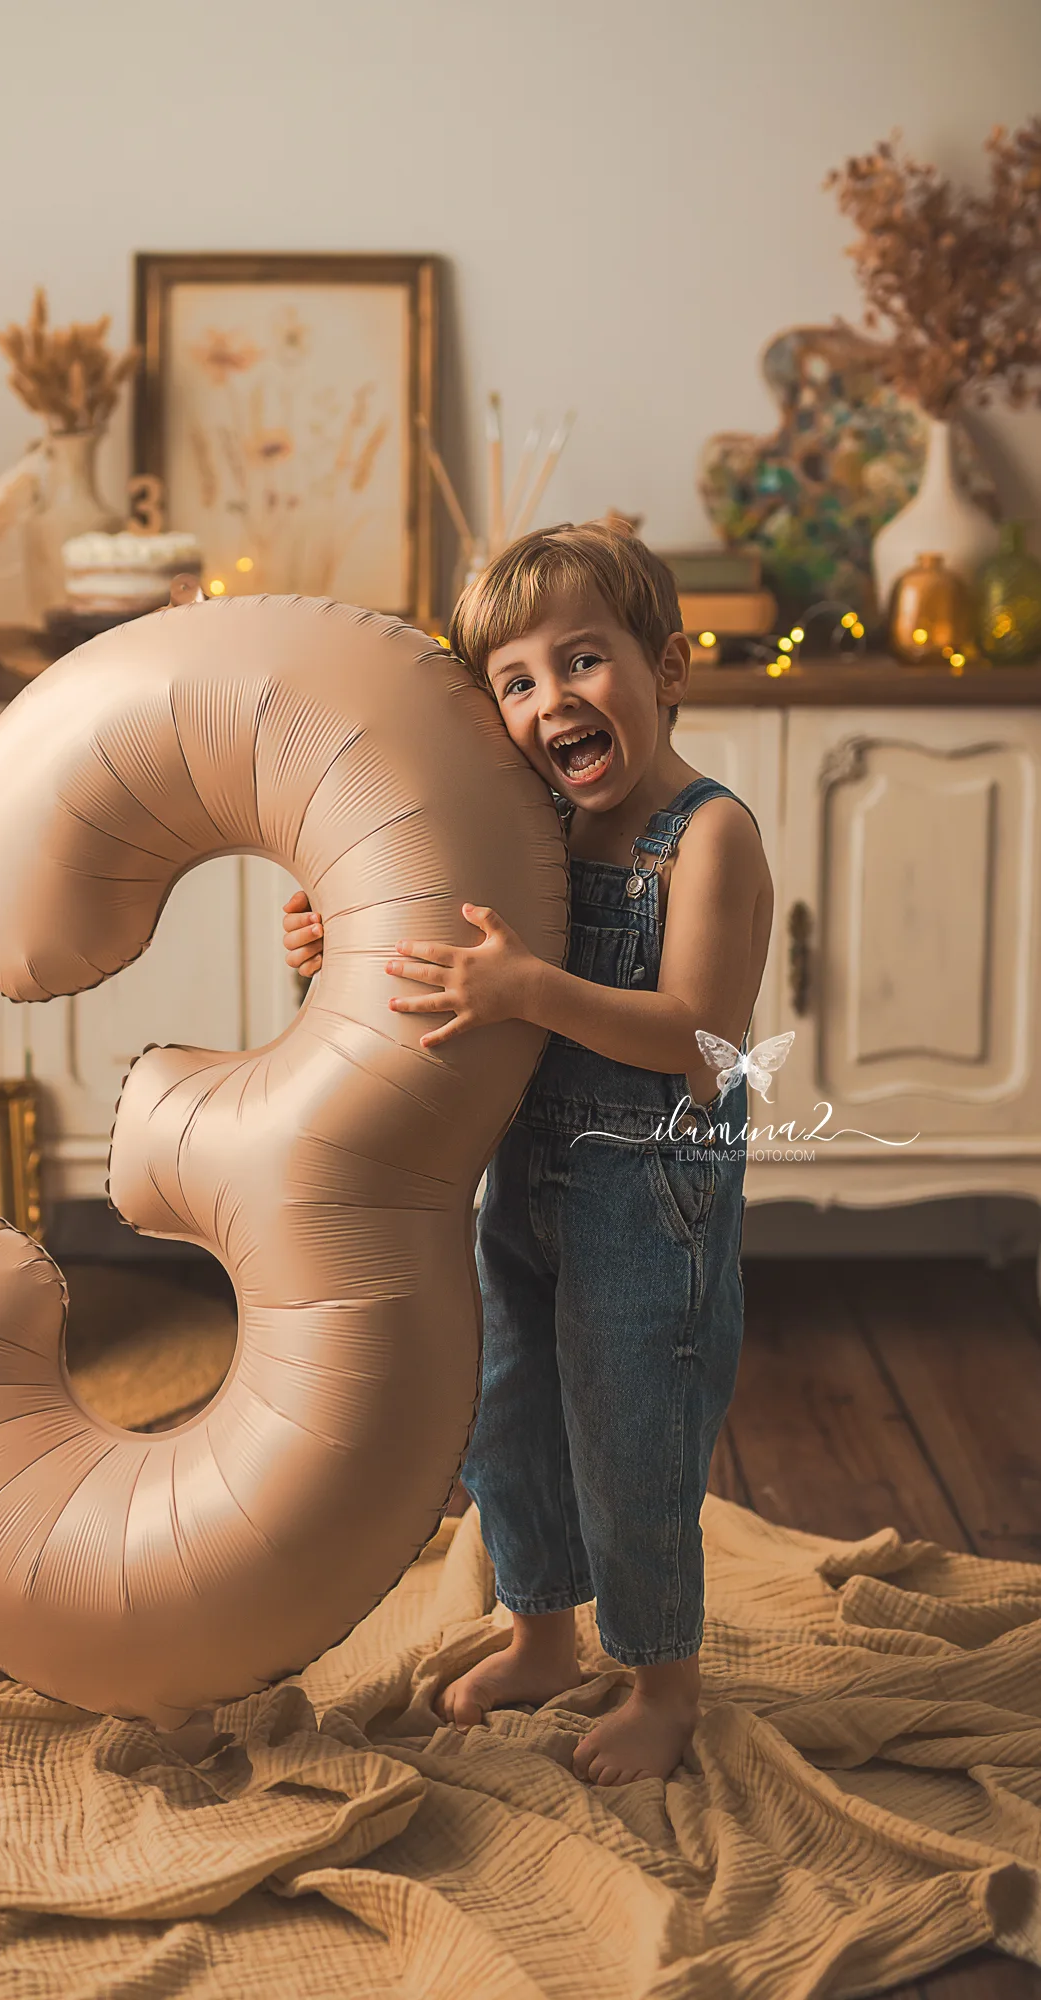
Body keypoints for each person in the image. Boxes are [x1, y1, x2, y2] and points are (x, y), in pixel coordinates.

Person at [281, 521, 773, 1785]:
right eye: (515, 680)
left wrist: (531, 989)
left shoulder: (708, 838)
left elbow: (700, 1046)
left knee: (631, 1433)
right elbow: (447, 970)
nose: (551, 698)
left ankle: (664, 1680)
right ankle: (541, 1633)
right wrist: (331, 938)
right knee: (511, 1417)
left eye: (582, 660)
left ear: (667, 666)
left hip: (647, 1199)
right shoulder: (535, 830)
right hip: (527, 1184)